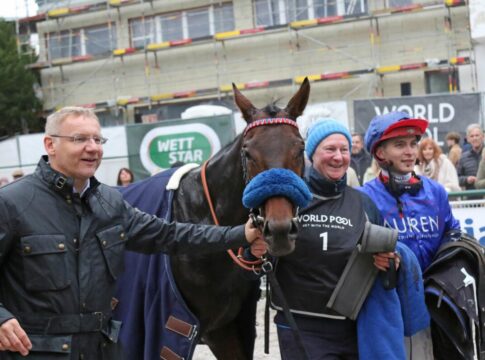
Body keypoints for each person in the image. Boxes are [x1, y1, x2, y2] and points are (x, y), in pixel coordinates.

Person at [0, 107, 260, 358]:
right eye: (79, 139)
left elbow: (171, 235)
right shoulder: (12, 203)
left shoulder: (109, 204)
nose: (92, 147)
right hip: (34, 352)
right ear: (50, 145)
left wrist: (240, 235)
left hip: (99, 350)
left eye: (97, 139)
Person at [251, 119, 428, 359]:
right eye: (330, 149)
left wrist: (391, 261)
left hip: (354, 327)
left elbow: (387, 259)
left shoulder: (363, 202)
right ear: (312, 155)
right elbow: (258, 256)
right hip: (300, 326)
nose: (338, 156)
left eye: (344, 150)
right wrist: (255, 249)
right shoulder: (287, 200)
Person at [360, 111, 460, 359]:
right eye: (399, 145)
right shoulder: (365, 197)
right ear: (380, 153)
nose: (410, 151)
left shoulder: (436, 192)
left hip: (438, 306)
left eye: (413, 143)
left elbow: (452, 234)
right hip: (392, 311)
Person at [457, 123, 484, 190]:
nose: (475, 138)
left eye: (477, 135)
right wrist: (466, 180)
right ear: (468, 139)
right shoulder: (463, 157)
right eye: (471, 136)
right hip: (471, 198)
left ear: (483, 137)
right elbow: (456, 178)